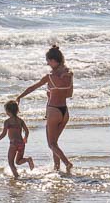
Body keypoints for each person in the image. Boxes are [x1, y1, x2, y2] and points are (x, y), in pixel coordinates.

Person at [17, 44, 74, 174]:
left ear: (54, 60)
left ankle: (67, 163)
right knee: (55, 143)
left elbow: (33, 87)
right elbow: (69, 94)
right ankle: (57, 168)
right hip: (64, 111)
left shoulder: (50, 76)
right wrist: (54, 91)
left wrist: (19, 96)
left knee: (51, 144)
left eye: (48, 61)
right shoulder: (69, 74)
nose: (47, 63)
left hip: (53, 110)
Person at [0, 100, 34, 178]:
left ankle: (16, 176)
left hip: (13, 144)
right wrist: (25, 138)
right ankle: (28, 159)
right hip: (21, 143)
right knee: (18, 161)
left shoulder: (7, 122)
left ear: (8, 111)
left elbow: (3, 134)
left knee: (11, 163)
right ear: (17, 110)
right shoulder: (20, 121)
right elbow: (27, 131)